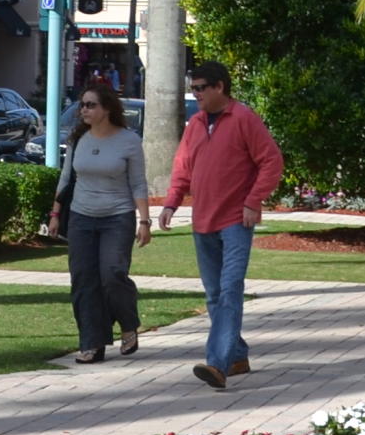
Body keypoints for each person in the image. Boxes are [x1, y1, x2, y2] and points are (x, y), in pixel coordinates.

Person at [157, 61, 282, 389]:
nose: (195, 93)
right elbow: (182, 167)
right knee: (214, 295)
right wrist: (171, 203)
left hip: (236, 221)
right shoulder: (195, 124)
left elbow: (271, 161)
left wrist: (253, 202)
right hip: (203, 221)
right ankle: (237, 354)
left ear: (219, 87)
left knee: (229, 291)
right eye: (193, 87)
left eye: (200, 87)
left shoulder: (243, 119)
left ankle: (218, 364)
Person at [45, 84, 150, 364]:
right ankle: (91, 343)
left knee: (113, 275)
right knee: (83, 280)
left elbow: (138, 183)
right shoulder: (78, 139)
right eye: (83, 105)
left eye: (91, 105)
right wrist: (55, 214)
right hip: (81, 217)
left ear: (107, 109)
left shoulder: (129, 140)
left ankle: (128, 323)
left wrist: (144, 221)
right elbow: (66, 179)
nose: (84, 110)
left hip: (117, 217)